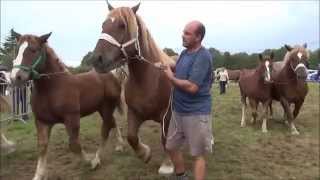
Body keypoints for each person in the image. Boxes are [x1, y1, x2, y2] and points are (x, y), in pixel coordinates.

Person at [163, 20, 213, 180]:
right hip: (178, 111)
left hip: (196, 113)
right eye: (183, 32)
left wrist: (170, 78)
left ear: (198, 37)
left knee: (197, 154)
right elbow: (179, 68)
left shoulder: (203, 56)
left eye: (187, 33)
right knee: (170, 146)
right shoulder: (184, 53)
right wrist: (167, 66)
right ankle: (181, 176)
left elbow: (192, 87)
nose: (182, 36)